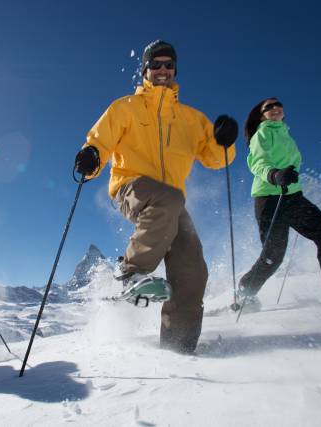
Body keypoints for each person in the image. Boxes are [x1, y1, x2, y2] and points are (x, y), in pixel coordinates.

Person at [74, 40, 238, 354]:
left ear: (175, 70)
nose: (163, 70)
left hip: (171, 202)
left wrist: (225, 141)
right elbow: (100, 140)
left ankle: (179, 350)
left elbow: (216, 158)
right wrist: (91, 156)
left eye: (168, 65)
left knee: (192, 273)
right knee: (167, 199)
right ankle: (131, 272)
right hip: (131, 186)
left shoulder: (191, 119)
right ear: (146, 69)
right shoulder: (126, 108)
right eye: (156, 64)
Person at [238, 98, 321, 308]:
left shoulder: (286, 135)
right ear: (262, 115)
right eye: (268, 107)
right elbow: (257, 162)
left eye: (278, 104)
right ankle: (245, 292)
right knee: (274, 255)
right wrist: (274, 175)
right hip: (269, 198)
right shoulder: (262, 133)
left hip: (292, 197)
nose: (275, 108)